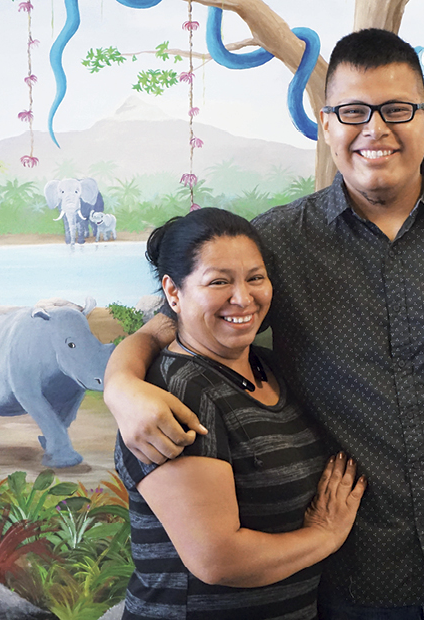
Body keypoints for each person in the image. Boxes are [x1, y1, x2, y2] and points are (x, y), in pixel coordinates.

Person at [104, 28, 424, 618]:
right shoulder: (277, 243)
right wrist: (122, 387)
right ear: (327, 123)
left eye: (397, 109)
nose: (375, 129)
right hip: (351, 579)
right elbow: (173, 325)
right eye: (353, 111)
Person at [115, 207, 365, 619]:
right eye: (219, 282)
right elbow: (217, 559)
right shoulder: (178, 391)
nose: (243, 298)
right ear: (173, 293)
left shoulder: (273, 367)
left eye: (255, 277)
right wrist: (325, 535)